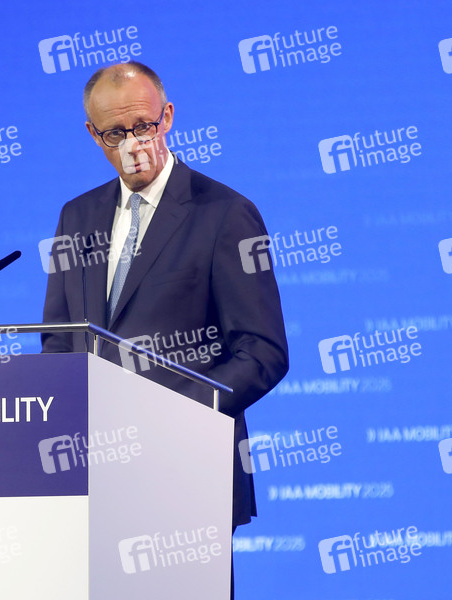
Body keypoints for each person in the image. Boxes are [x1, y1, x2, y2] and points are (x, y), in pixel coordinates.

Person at [41, 61, 289, 593]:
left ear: (168, 117)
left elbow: (262, 351)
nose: (133, 144)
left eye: (144, 126)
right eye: (115, 133)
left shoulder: (225, 213)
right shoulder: (76, 218)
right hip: (95, 480)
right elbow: (60, 341)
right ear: (93, 135)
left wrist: (169, 417)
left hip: (187, 473)